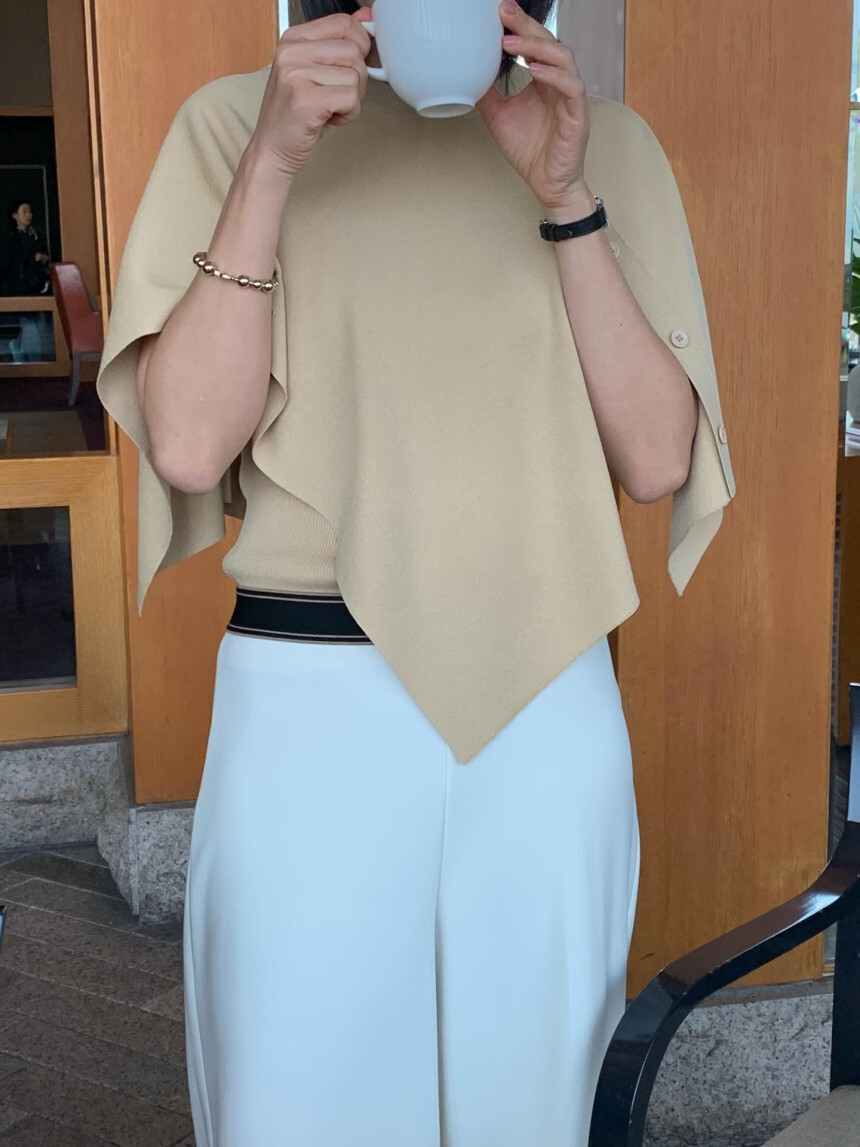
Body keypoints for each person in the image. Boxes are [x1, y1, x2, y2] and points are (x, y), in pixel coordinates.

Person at [95, 0, 736, 1143]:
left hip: (543, 692)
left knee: (531, 1106)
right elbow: (188, 443)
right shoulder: (231, 125)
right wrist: (272, 163)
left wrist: (564, 199)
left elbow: (655, 458)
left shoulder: (607, 143)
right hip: (308, 696)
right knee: (298, 1103)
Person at [0, 200, 51, 296]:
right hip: (16, 283)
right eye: (24, 212)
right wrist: (32, 258)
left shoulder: (36, 234)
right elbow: (9, 259)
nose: (28, 215)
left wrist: (44, 258)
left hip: (35, 281)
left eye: (29, 212)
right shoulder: (9, 236)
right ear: (15, 215)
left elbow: (44, 251)